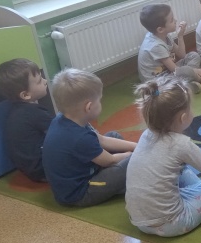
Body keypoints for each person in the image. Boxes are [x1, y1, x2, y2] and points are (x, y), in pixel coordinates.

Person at [125, 76, 201, 237]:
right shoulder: (181, 144)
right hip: (172, 222)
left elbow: (168, 159)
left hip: (139, 221)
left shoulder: (146, 134)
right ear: (183, 118)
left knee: (181, 168)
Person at [42, 68, 136, 207]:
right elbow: (109, 161)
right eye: (100, 100)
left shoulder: (66, 118)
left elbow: (102, 140)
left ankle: (123, 180)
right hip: (81, 193)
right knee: (131, 160)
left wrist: (137, 146)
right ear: (89, 107)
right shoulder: (79, 138)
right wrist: (133, 154)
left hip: (85, 171)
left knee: (113, 135)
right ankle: (128, 180)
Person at [0, 58, 53, 182]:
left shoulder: (16, 111)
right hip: (45, 169)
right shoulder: (34, 112)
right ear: (25, 95)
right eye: (40, 81)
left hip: (31, 170)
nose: (45, 81)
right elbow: (61, 134)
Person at [137, 3, 201, 94]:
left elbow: (182, 55)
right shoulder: (155, 46)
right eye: (171, 20)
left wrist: (180, 36)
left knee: (193, 55)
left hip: (168, 72)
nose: (175, 20)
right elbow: (175, 69)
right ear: (160, 29)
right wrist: (198, 70)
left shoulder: (164, 35)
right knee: (186, 71)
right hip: (157, 82)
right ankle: (195, 80)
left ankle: (188, 81)